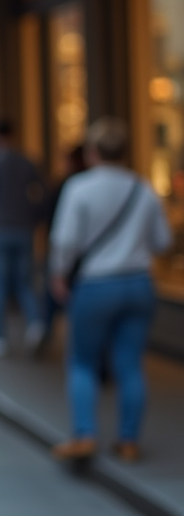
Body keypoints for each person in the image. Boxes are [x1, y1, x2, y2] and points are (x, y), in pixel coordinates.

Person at [48, 119, 169, 463]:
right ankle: (128, 440)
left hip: (96, 284)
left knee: (83, 362)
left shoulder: (80, 188)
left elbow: (65, 240)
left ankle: (85, 434)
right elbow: (163, 241)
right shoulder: (143, 189)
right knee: (130, 363)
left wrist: (58, 274)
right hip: (138, 283)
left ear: (92, 152)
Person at [0, 120, 45, 357]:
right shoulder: (26, 162)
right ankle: (35, 321)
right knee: (24, 281)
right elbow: (41, 193)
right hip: (23, 229)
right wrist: (32, 217)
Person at [38, 143, 88, 356]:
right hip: (97, 263)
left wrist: (58, 269)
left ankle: (45, 331)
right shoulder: (135, 186)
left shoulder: (70, 187)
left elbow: (62, 233)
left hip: (74, 258)